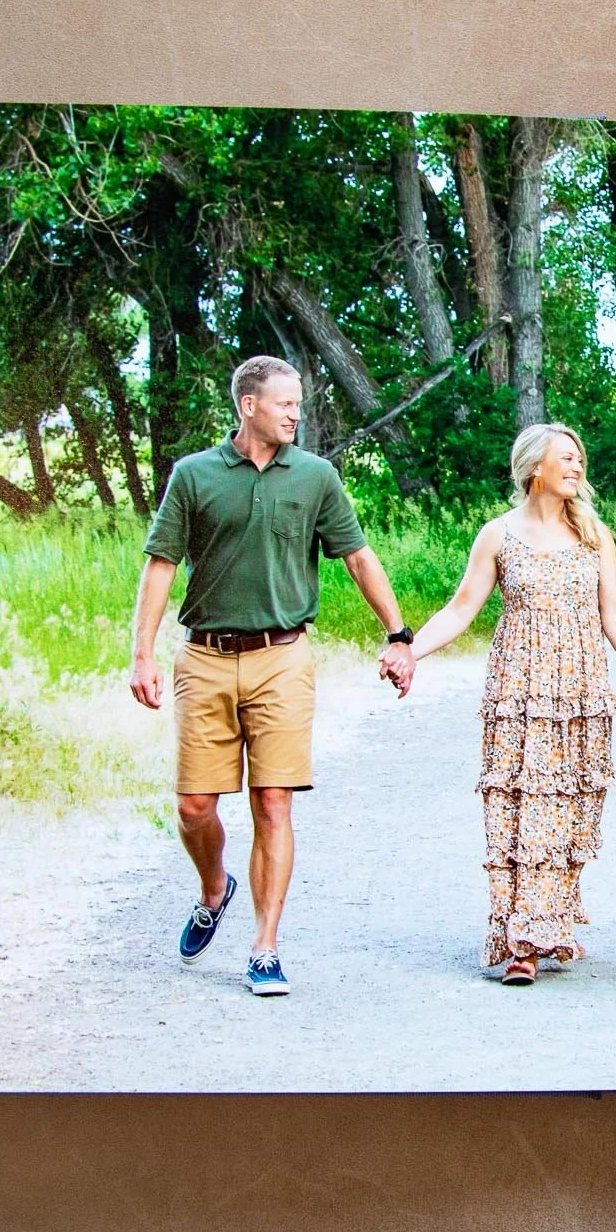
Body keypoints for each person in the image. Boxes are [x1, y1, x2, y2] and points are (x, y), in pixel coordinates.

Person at [129, 355, 418, 998]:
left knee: (272, 801)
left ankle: (265, 947)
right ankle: (213, 887)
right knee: (194, 805)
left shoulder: (315, 477)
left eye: (298, 404)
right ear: (248, 405)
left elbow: (358, 557)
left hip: (283, 656)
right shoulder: (195, 475)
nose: (296, 413)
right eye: (284, 403)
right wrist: (142, 653)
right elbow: (160, 566)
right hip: (203, 657)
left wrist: (398, 635)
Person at [405, 423, 616, 985]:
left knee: (567, 809)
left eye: (579, 458)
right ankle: (521, 939)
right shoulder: (497, 535)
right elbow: (460, 609)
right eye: (565, 458)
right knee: (520, 807)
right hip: (519, 690)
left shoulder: (595, 536)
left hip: (581, 691)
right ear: (533, 468)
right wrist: (411, 652)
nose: (576, 466)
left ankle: (553, 921)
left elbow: (615, 614)